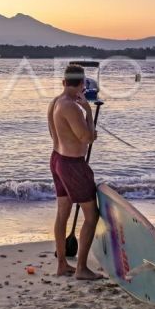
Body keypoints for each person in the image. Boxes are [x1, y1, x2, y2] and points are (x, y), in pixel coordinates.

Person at [47, 64, 102, 280]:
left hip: (57, 159)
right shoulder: (70, 106)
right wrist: (88, 112)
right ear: (81, 84)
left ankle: (62, 264)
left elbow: (54, 134)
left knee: (63, 212)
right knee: (91, 215)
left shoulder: (54, 103)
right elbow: (86, 138)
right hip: (72, 164)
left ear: (64, 82)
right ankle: (81, 268)